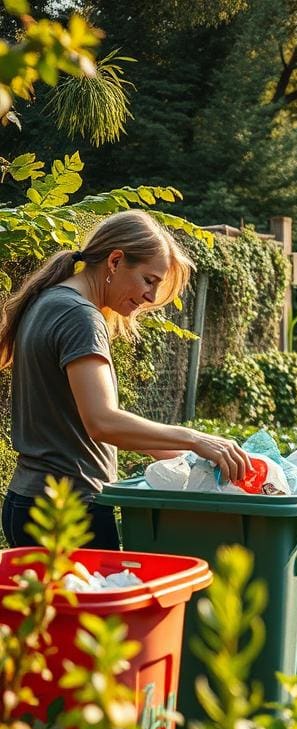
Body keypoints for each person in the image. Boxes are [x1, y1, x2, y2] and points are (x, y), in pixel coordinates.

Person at [0, 209, 253, 549]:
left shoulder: (50, 301)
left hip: (31, 503)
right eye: (149, 280)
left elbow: (81, 422)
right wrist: (194, 438)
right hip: (67, 513)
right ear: (116, 261)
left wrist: (188, 455)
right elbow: (103, 422)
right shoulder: (79, 317)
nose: (150, 297)